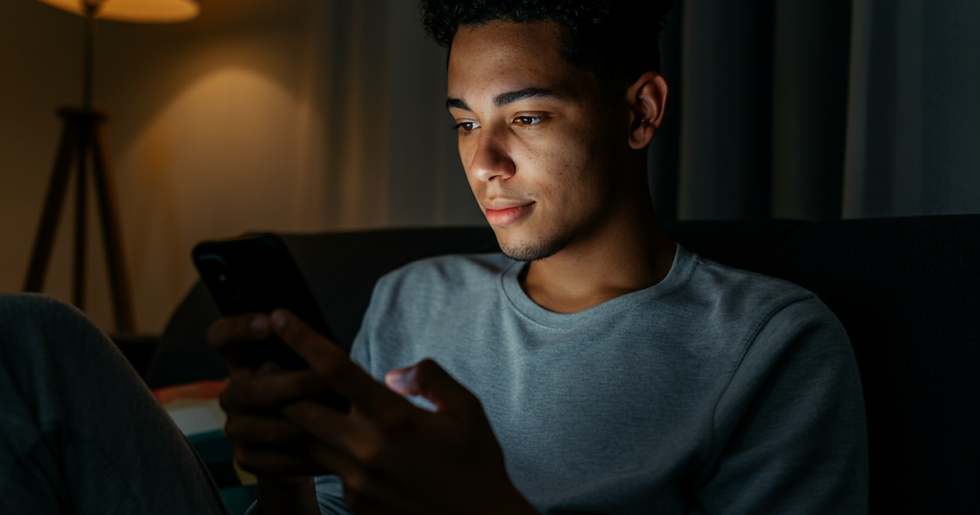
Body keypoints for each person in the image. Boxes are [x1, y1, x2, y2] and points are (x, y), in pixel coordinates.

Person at [0, 1, 867, 514]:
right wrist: (290, 481)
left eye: (526, 117)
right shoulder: (415, 296)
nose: (484, 162)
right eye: (464, 122)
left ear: (639, 114)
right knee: (30, 334)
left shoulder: (770, 341)